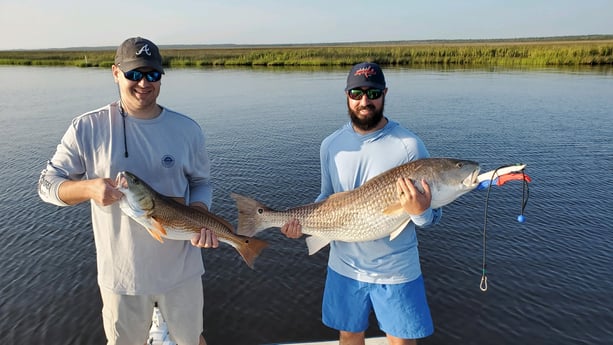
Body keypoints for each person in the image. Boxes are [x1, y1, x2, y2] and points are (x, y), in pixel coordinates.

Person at [38, 37, 218, 345]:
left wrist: (200, 210)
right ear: (115, 73)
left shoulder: (187, 129)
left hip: (182, 273)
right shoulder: (87, 127)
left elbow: (201, 182)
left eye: (153, 74)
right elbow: (46, 185)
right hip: (121, 278)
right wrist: (87, 188)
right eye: (134, 73)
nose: (144, 83)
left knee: (193, 340)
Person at [281, 62, 442, 345]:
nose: (365, 101)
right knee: (349, 336)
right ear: (346, 95)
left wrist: (421, 212)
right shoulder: (331, 145)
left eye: (373, 92)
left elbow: (431, 216)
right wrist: (300, 226)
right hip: (343, 267)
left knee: (402, 341)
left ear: (385, 93)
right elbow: (326, 198)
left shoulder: (409, 146)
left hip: (396, 270)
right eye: (356, 93)